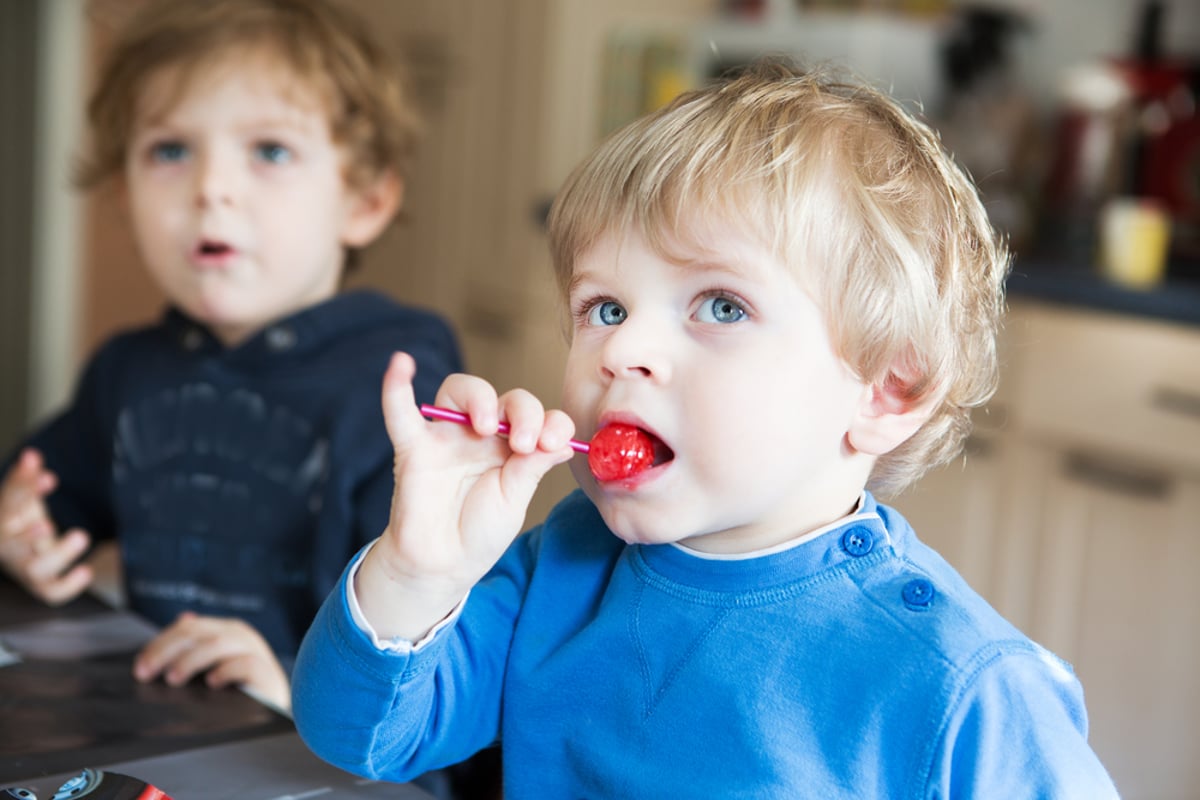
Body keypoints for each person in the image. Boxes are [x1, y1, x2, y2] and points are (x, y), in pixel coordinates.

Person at [290, 61, 1120, 797]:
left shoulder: (964, 690)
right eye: (604, 308)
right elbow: (359, 737)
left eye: (721, 306)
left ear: (884, 393)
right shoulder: (561, 563)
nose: (623, 349)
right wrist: (419, 571)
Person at [0, 0, 462, 717]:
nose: (210, 187)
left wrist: (289, 680)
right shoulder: (128, 371)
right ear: (124, 194)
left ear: (365, 201)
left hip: (338, 749)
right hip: (168, 728)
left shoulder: (402, 388)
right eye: (170, 150)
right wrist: (24, 530)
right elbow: (49, 496)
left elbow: (443, 626)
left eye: (270, 150)